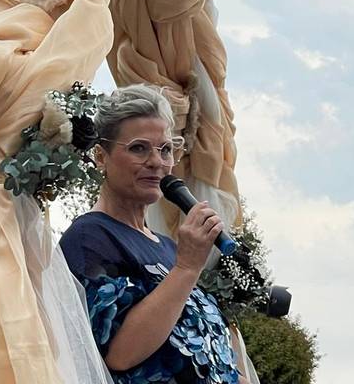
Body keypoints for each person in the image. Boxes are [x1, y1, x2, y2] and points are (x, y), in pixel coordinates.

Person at [59, 84, 247, 384]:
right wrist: (187, 268)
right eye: (138, 148)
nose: (157, 162)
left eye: (165, 150)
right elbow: (119, 355)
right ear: (100, 156)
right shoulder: (89, 238)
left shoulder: (169, 247)